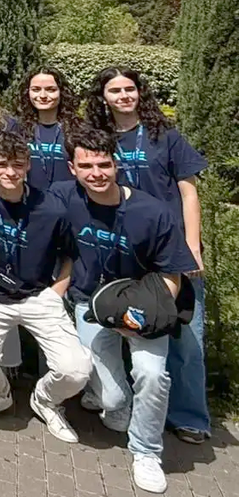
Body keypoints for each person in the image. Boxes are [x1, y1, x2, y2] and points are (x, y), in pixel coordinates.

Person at [52, 126, 196, 494]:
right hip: (91, 306)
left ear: (117, 165)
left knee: (151, 374)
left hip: (145, 309)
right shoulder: (63, 197)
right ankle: (108, 399)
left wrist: (141, 317)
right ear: (72, 168)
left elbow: (172, 275)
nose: (96, 173)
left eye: (104, 164)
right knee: (114, 402)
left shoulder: (152, 211)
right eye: (87, 166)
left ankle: (146, 451)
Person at [86, 66, 210, 445]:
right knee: (126, 327)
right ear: (103, 97)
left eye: (129, 89)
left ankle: (189, 416)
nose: (123, 96)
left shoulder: (165, 137)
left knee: (186, 337)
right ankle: (121, 402)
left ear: (140, 93)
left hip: (171, 250)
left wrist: (192, 246)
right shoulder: (101, 139)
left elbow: (188, 193)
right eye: (114, 90)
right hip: (123, 250)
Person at [0, 130, 91, 442]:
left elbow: (69, 255)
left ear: (28, 165)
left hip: (38, 295)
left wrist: (55, 292)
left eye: (18, 165)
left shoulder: (50, 208)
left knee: (77, 370)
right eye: (1, 163)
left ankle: (45, 399)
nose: (10, 172)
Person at [12, 67, 82, 193]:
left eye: (51, 90)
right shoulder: (18, 128)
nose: (43, 96)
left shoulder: (78, 128)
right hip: (32, 204)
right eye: (36, 90)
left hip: (71, 202)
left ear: (62, 92)